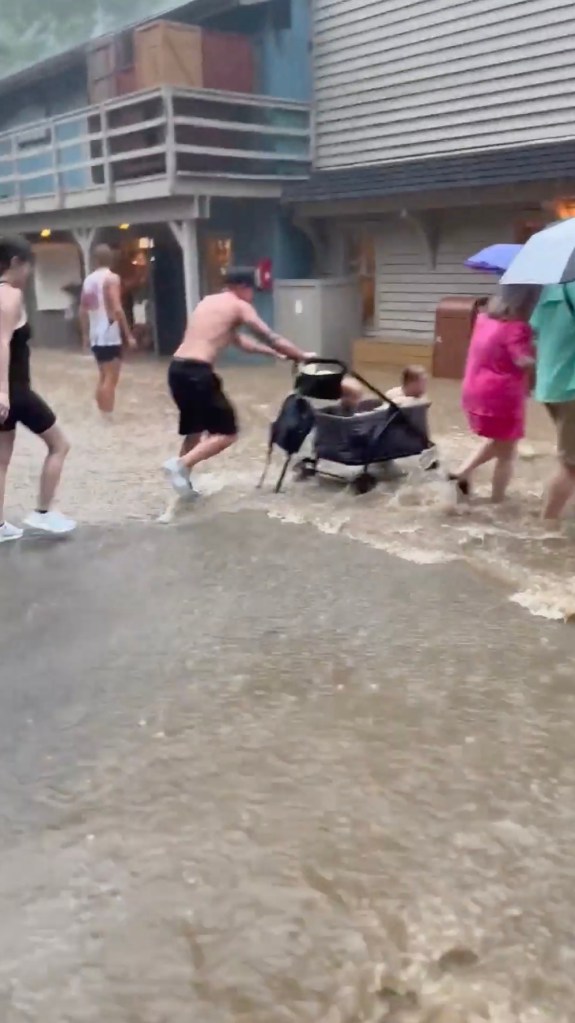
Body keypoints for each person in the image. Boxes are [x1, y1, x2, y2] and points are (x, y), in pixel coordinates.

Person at [163, 268, 312, 495]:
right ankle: (180, 465)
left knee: (194, 431)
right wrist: (301, 355)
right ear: (243, 287)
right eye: (252, 290)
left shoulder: (208, 302)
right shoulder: (239, 306)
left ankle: (183, 487)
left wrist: (274, 354)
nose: (253, 296)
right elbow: (270, 336)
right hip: (198, 372)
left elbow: (241, 341)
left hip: (177, 369)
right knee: (226, 433)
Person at [0, 235, 76, 541]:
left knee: (1, 460)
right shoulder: (10, 296)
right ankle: (44, 513)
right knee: (59, 445)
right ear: (17, 263)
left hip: (7, 392)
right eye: (28, 266)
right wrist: (3, 391)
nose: (29, 274)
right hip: (15, 390)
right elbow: (2, 343)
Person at [451, 286, 537, 502]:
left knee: (501, 441)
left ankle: (462, 472)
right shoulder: (516, 327)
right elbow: (522, 361)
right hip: (501, 396)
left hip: (474, 390)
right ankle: (498, 502)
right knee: (507, 453)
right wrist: (538, 355)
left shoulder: (483, 319)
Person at [530, 283, 575, 523]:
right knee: (570, 465)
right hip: (571, 386)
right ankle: (546, 526)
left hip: (550, 384)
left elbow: (535, 329)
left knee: (568, 455)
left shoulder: (551, 289)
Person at [79, 244, 137, 416]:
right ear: (111, 259)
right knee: (111, 378)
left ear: (95, 260)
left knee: (104, 376)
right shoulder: (112, 278)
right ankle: (108, 416)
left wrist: (85, 335)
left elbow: (82, 309)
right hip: (110, 334)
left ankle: (102, 415)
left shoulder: (88, 280)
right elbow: (117, 308)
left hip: (96, 335)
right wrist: (128, 335)